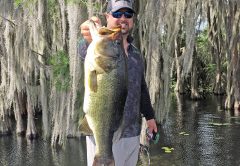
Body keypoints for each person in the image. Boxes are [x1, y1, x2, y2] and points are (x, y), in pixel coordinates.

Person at [78, 0, 158, 165]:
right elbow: (85, 49)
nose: (123, 18)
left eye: (128, 14)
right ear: (107, 16)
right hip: (103, 135)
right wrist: (87, 36)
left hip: (132, 133)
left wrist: (150, 117)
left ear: (132, 20)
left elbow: (141, 88)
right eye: (117, 14)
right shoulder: (96, 48)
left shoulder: (135, 54)